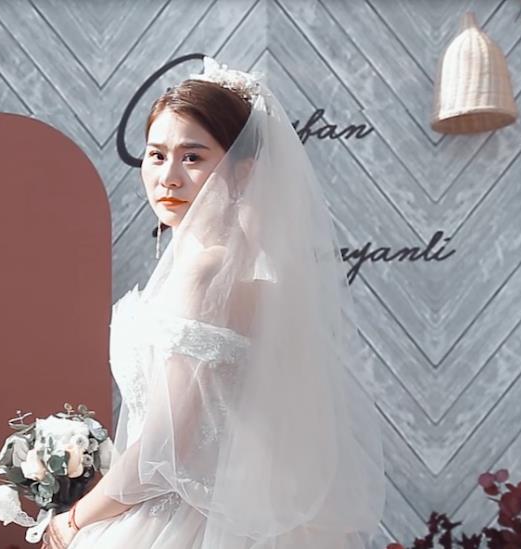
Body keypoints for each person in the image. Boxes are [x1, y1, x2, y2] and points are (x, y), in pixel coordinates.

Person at [42, 57, 386, 549]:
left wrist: (73, 520)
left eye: (193, 157)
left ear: (243, 171)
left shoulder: (206, 273)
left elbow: (167, 447)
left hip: (182, 522)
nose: (168, 177)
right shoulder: (239, 268)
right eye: (156, 155)